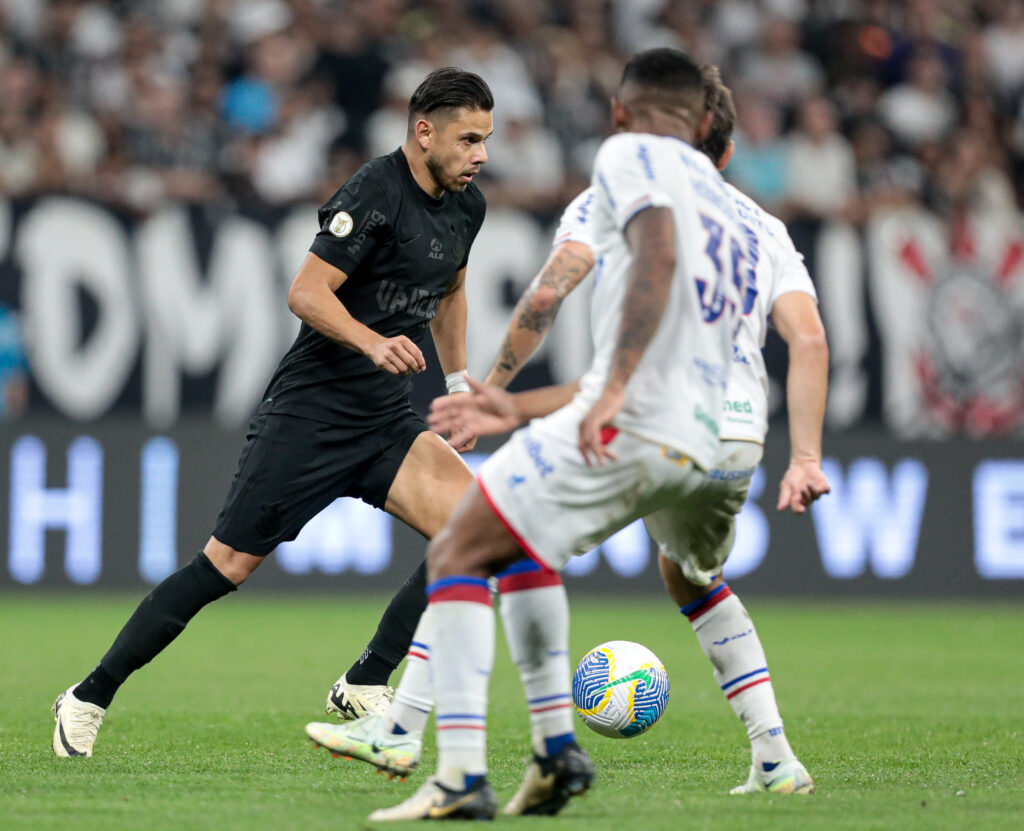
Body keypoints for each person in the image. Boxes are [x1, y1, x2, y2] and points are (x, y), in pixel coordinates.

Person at [307, 63, 829, 808]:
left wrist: (506, 391)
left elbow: (556, 286)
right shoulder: (761, 225)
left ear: (626, 114)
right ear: (725, 146)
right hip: (738, 442)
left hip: (644, 420)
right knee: (688, 576)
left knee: (469, 538)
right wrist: (805, 455)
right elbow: (807, 341)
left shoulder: (628, 162)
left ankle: (420, 743)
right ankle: (774, 755)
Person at [51, 67, 495, 758]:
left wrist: (460, 378)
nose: (481, 155)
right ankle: (88, 694)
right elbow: (307, 292)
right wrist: (373, 341)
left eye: (485, 140)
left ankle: (366, 678)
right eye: (469, 139)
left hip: (384, 421)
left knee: (479, 531)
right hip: (310, 416)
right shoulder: (374, 191)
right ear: (423, 130)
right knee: (223, 566)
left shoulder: (468, 207)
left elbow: (454, 286)